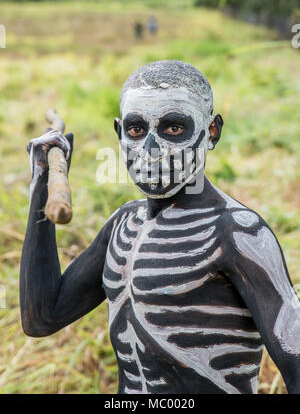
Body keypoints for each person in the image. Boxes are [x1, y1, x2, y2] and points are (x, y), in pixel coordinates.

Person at [20, 60, 300, 394]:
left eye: (173, 129)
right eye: (136, 130)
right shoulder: (123, 224)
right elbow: (41, 319)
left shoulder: (238, 234)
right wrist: (41, 180)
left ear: (212, 132)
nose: (151, 152)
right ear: (119, 133)